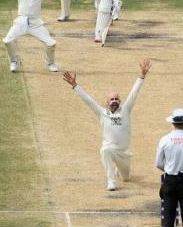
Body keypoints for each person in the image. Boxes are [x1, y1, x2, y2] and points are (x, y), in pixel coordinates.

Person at [62, 59, 151, 191]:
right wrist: (75, 85)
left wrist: (142, 76)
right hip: (110, 148)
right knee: (104, 150)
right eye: (111, 99)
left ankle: (118, 170)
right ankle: (111, 181)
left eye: (116, 99)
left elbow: (134, 94)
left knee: (126, 178)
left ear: (120, 101)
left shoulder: (126, 110)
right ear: (107, 102)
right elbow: (88, 100)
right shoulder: (102, 113)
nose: (114, 101)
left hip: (124, 153)